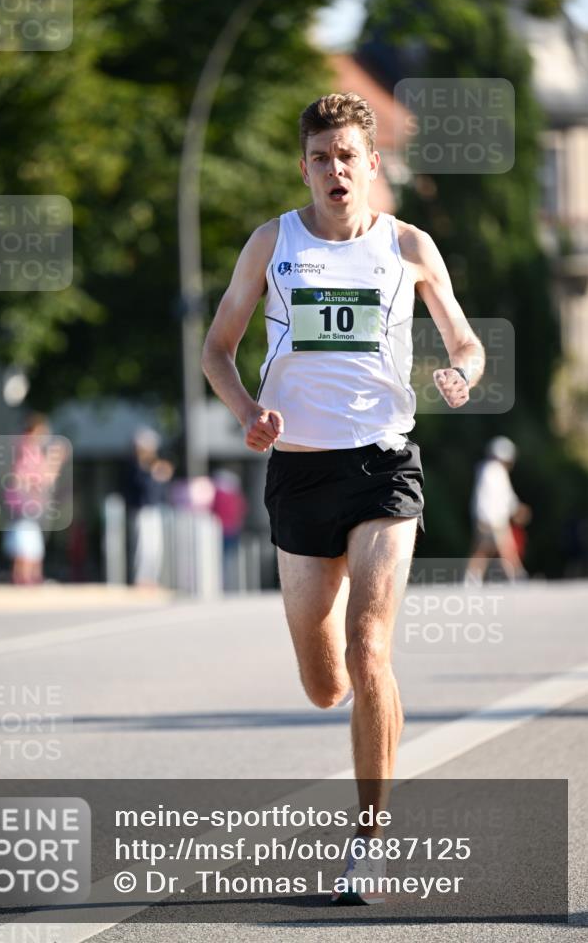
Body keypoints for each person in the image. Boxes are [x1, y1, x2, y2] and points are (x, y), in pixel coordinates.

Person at [201, 91, 484, 904]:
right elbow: (217, 349)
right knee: (324, 682)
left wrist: (460, 371)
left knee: (369, 648)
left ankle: (370, 839)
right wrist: (248, 413)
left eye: (348, 157)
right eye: (320, 158)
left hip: (383, 464)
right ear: (304, 166)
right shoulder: (271, 244)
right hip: (296, 469)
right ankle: (358, 705)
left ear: (372, 165)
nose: (335, 170)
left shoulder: (408, 245)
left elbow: (462, 338)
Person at [2, 413, 69, 584]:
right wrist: (54, 460)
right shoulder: (26, 448)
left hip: (29, 504)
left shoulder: (28, 449)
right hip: (24, 504)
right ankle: (24, 578)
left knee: (32, 544)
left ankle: (30, 577)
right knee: (26, 544)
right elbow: (39, 477)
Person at [465, 436, 530, 582]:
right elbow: (491, 498)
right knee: (504, 547)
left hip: (492, 518)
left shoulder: (491, 470)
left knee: (485, 548)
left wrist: (516, 507)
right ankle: (516, 575)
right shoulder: (492, 470)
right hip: (492, 519)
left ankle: (472, 576)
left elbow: (505, 497)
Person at [124, 428, 174, 590]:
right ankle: (142, 579)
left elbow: (161, 489)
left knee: (155, 548)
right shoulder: (135, 466)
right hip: (142, 511)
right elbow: (140, 488)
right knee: (143, 548)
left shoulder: (154, 466)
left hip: (155, 511)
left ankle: (151, 579)